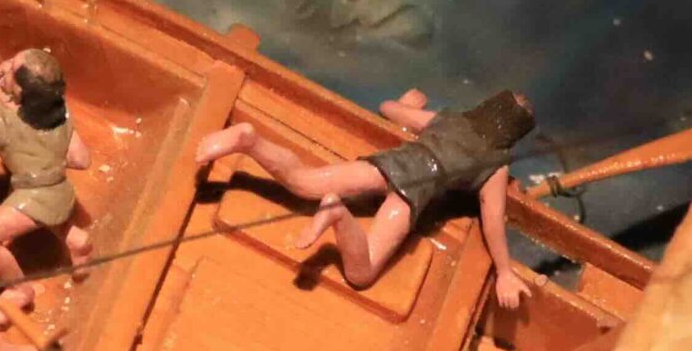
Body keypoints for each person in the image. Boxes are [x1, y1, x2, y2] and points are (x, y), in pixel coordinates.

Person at [194, 86, 535, 311]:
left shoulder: (448, 120)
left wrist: (408, 104)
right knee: (362, 273)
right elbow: (492, 222)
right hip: (410, 195)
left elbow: (389, 109)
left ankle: (250, 141)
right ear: (513, 136)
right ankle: (338, 215)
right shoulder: (495, 165)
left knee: (302, 181)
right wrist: (504, 271)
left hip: (387, 166)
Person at [0, 48, 93, 324]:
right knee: (42, 206)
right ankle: (74, 238)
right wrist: (41, 154)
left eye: (11, 67)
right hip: (60, 191)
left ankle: (18, 289)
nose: (5, 65)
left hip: (32, 195)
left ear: (22, 92)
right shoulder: (60, 112)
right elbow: (81, 159)